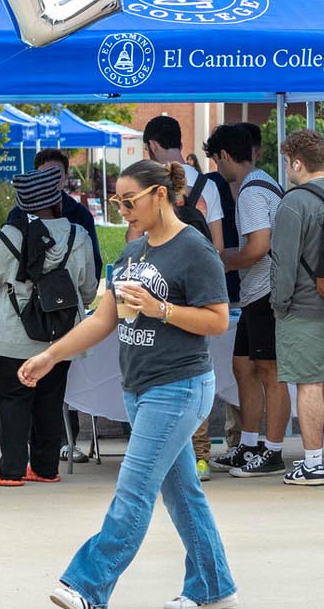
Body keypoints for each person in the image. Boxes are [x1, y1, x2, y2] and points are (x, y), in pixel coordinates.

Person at [25, 161, 235, 609]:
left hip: (179, 386)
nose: (122, 209)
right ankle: (214, 590)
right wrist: (50, 355)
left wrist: (163, 310)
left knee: (133, 490)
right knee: (182, 496)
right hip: (139, 388)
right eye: (117, 201)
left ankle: (87, 586)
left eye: (129, 200)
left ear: (160, 194)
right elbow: (103, 319)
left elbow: (217, 320)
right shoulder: (132, 253)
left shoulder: (194, 249)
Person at [0, 167, 99, 487]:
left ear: (22, 203)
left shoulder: (10, 236)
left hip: (15, 335)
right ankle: (46, 468)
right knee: (50, 399)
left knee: (12, 399)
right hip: (62, 337)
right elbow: (87, 288)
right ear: (56, 200)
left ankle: (12, 471)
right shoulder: (78, 235)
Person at [143, 117, 229, 482]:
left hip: (155, 291)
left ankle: (163, 455)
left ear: (151, 146)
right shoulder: (208, 186)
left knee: (158, 377)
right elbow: (219, 249)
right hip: (196, 294)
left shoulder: (143, 183)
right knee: (195, 370)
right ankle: (200, 457)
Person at [268, 130, 324, 488]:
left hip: (304, 306)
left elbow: (283, 264)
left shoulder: (293, 203)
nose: (287, 168)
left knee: (308, 385)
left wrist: (279, 303)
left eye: (288, 162)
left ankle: (313, 463)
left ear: (298, 162)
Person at [202, 125, 289, 479]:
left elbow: (257, 248)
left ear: (224, 156)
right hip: (255, 294)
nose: (217, 169)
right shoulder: (263, 183)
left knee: (270, 371)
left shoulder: (252, 193)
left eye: (215, 160)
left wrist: (219, 260)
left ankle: (274, 450)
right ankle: (249, 443)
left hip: (266, 292)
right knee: (243, 368)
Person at [5, 148, 104, 272]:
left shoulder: (81, 215)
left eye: (55, 175)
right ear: (35, 175)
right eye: (44, 175)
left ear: (66, 177)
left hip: (68, 289)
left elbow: (93, 261)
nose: (49, 180)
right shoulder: (18, 214)